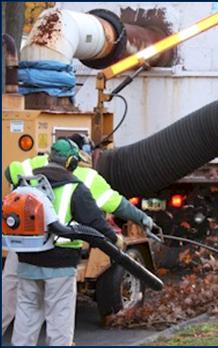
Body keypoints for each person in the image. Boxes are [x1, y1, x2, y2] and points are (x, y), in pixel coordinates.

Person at [2, 134, 155, 336]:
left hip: (25, 253)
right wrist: (142, 219)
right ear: (76, 159)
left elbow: (9, 171)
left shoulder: (35, 164)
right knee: (59, 321)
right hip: (60, 259)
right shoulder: (86, 178)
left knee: (23, 310)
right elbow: (113, 207)